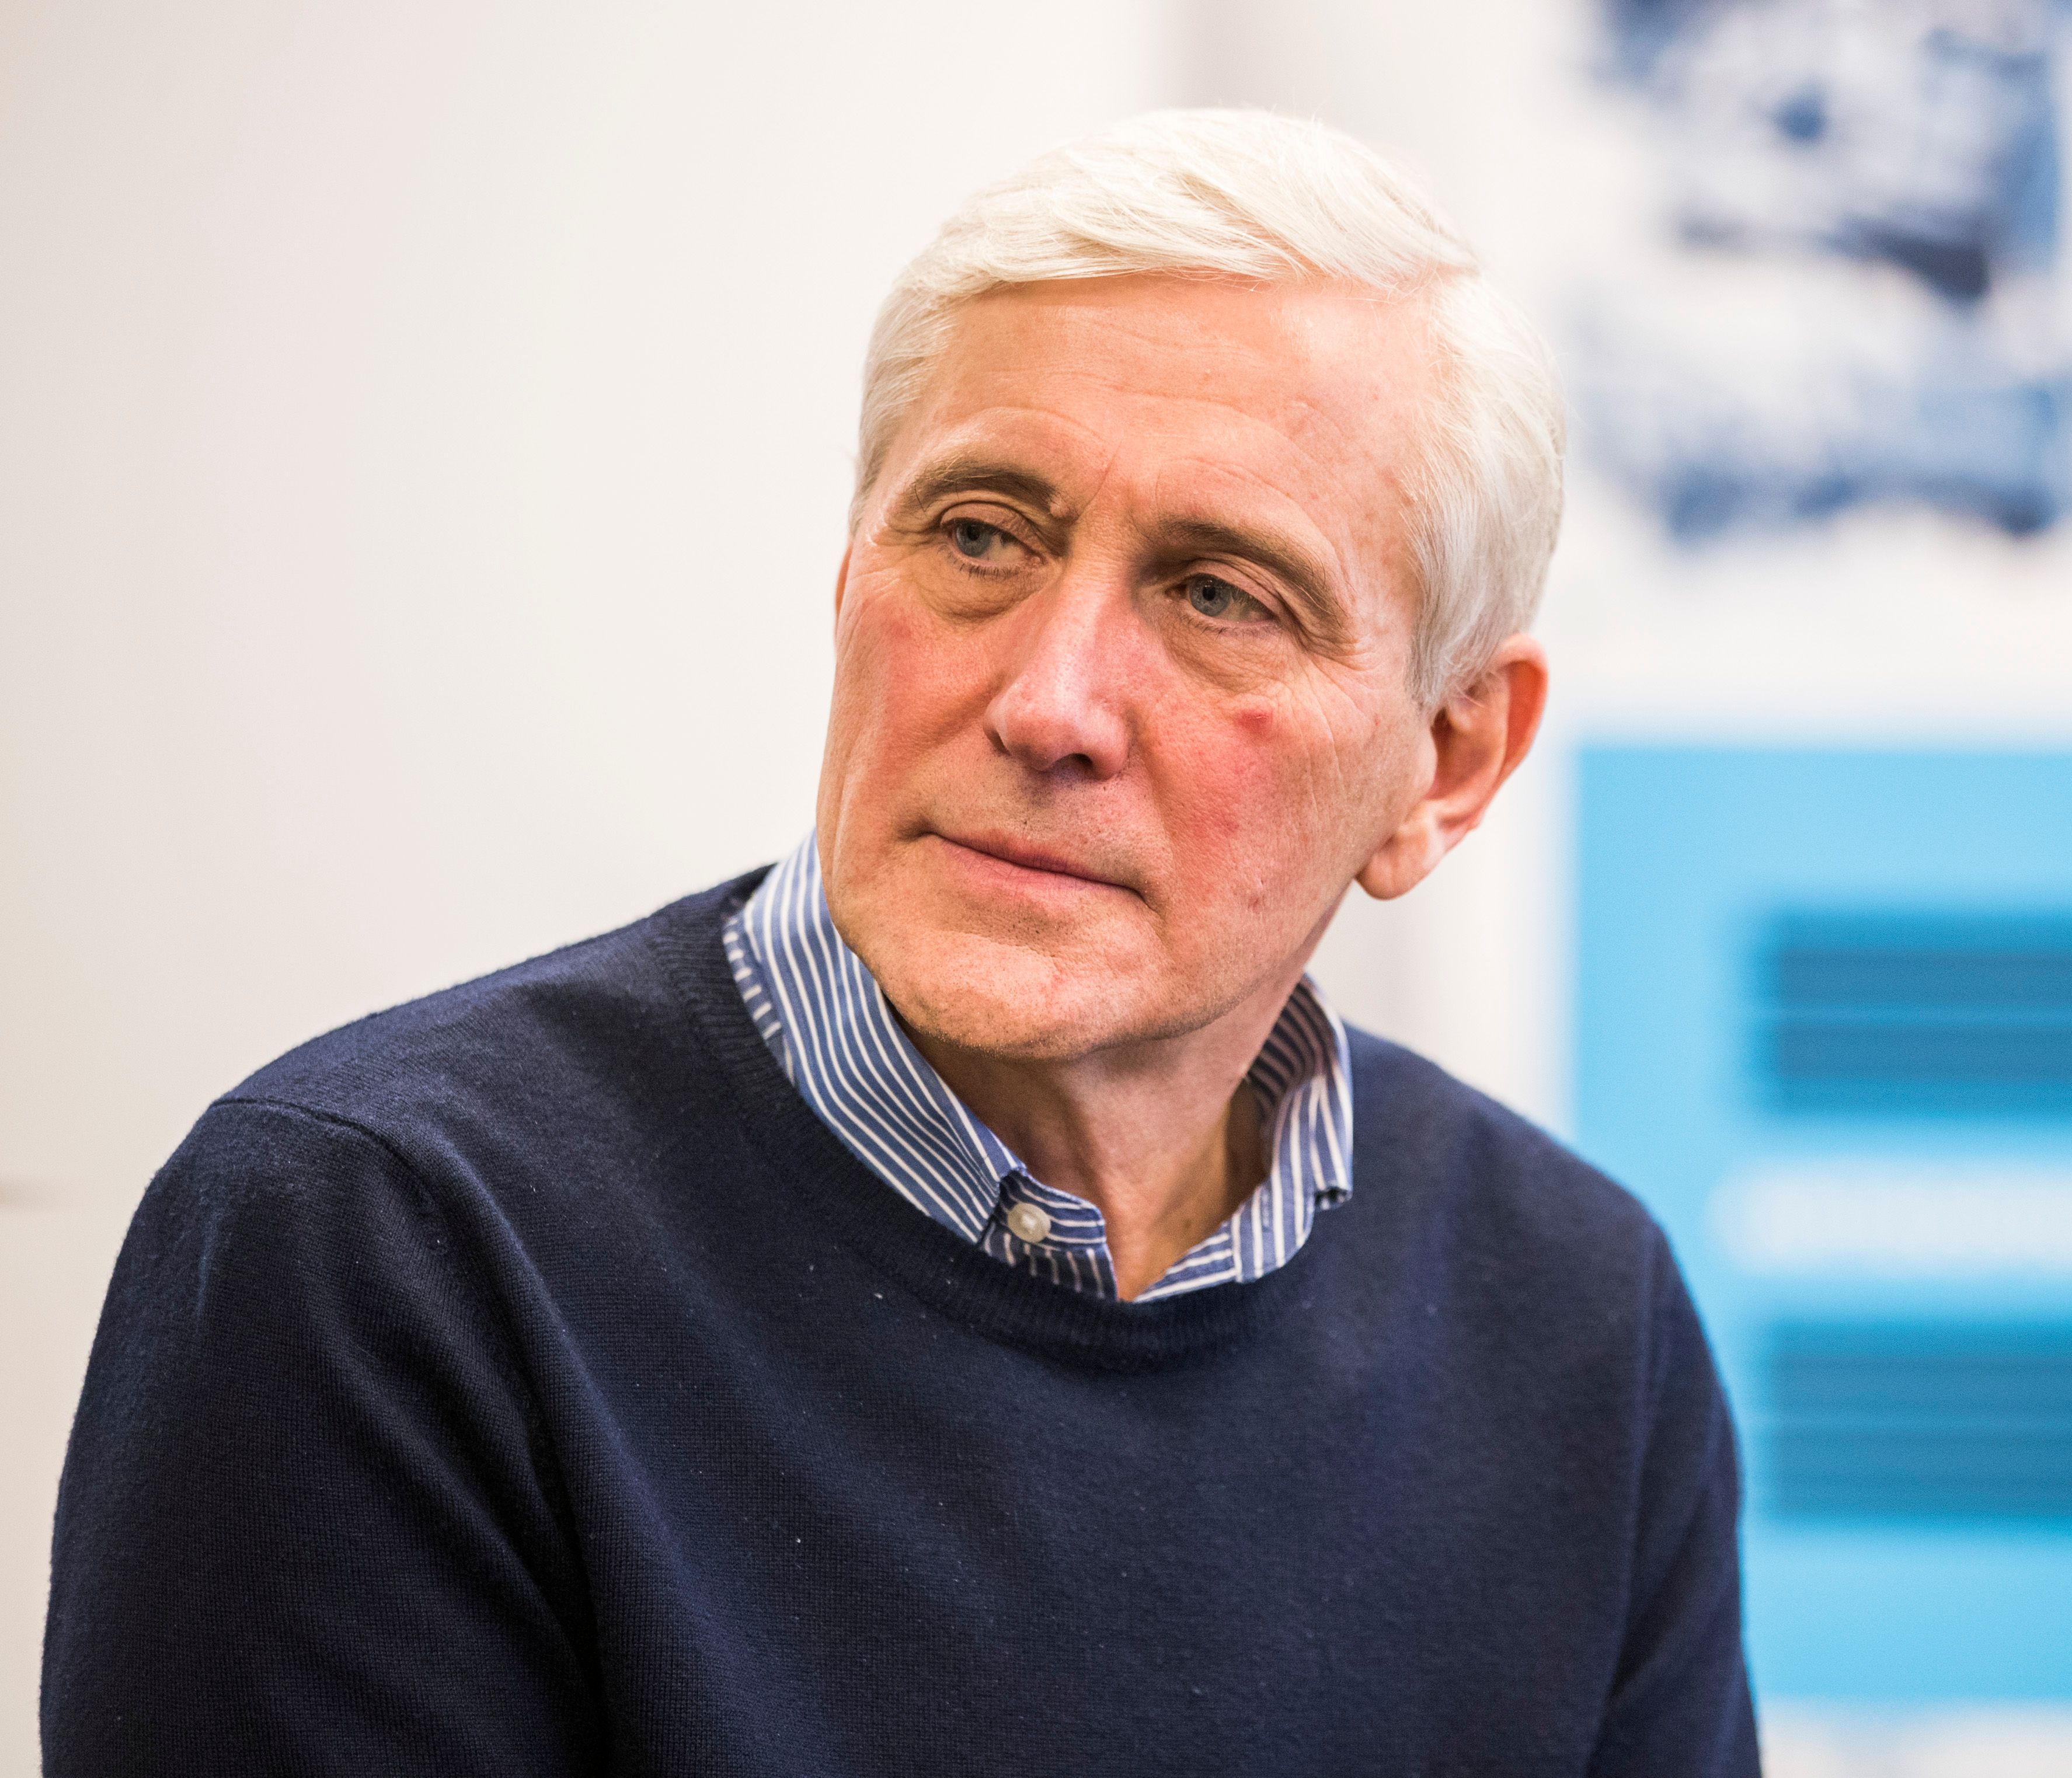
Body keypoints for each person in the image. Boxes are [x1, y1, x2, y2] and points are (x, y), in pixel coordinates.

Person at [43, 109, 1756, 1776]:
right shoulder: (386, 1235)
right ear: (851, 574)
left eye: (1220, 594)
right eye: (981, 535)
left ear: (1447, 762)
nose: (1049, 704)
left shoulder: (1575, 1314)